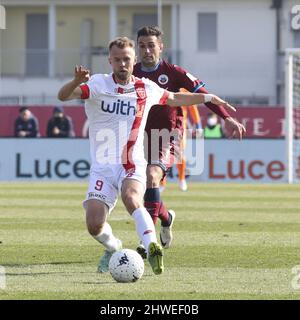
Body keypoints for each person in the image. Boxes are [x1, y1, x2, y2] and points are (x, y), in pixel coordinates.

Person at [57, 36, 242, 276]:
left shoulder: (146, 87)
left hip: (132, 162)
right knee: (94, 224)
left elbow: (176, 98)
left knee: (132, 197)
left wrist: (208, 97)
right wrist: (74, 81)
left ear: (133, 61)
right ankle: (114, 247)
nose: (122, 64)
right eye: (117, 60)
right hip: (102, 167)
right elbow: (63, 96)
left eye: (126, 59)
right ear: (110, 61)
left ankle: (151, 246)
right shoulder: (97, 85)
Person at [133, 26, 245, 254]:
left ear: (160, 47)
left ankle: (147, 243)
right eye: (142, 45)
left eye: (151, 45)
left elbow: (204, 94)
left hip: (168, 136)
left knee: (153, 176)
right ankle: (166, 218)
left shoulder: (173, 72)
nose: (146, 50)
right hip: (138, 137)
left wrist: (227, 118)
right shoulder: (131, 72)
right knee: (142, 190)